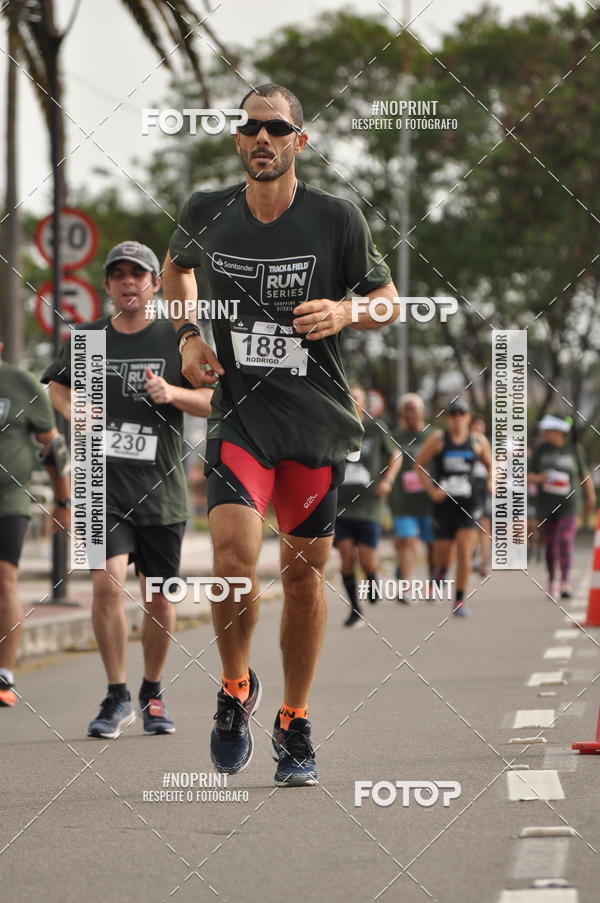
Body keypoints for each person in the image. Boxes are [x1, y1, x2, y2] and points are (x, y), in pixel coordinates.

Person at [164, 83, 398, 785]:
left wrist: (345, 314)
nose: (262, 138)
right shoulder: (209, 211)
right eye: (250, 127)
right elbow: (177, 269)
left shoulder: (336, 217)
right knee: (233, 557)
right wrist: (186, 336)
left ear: (300, 140)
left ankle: (294, 718)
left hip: (315, 421)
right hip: (241, 416)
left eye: (276, 127)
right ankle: (235, 689)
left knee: (302, 578)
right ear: (238, 140)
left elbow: (387, 301)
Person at [42, 241, 212, 738]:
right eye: (118, 275)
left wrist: (172, 392)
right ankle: (116, 695)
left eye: (138, 275)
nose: (128, 283)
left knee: (159, 599)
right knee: (104, 584)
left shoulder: (174, 339)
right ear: (108, 285)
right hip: (102, 488)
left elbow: (213, 400)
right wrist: (74, 408)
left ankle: (152, 691)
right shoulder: (88, 338)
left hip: (161, 491)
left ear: (155, 284)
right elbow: (55, 383)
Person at [0, 337, 71, 707]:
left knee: (4, 579)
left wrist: (63, 500)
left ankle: (4, 675)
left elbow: (52, 447)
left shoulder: (20, 383)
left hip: (7, 501)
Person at [415, 398, 492, 617]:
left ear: (468, 417)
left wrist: (491, 481)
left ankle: (459, 600)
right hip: (444, 503)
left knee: (464, 550)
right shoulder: (439, 440)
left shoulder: (478, 441)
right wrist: (431, 490)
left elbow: (491, 464)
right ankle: (441, 572)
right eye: (453, 414)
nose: (457, 418)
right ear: (447, 418)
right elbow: (418, 465)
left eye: (462, 414)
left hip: (469, 502)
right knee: (444, 554)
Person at [334, 385, 401, 627]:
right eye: (347, 397)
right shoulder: (337, 429)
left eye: (356, 398)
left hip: (369, 505)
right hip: (340, 507)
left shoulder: (375, 428)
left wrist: (388, 481)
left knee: (367, 559)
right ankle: (355, 609)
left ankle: (372, 576)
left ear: (364, 403)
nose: (351, 401)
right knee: (346, 557)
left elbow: (396, 455)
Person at [529, 415, 596, 598]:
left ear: (560, 432)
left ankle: (565, 582)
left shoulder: (574, 449)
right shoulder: (540, 450)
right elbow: (526, 475)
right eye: (544, 431)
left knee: (565, 540)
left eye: (549, 430)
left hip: (570, 504)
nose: (545, 434)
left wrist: (590, 497)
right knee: (550, 546)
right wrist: (540, 478)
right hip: (546, 506)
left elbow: (583, 474)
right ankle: (553, 581)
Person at [389, 393, 434, 603]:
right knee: (407, 541)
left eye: (414, 409)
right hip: (403, 501)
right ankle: (405, 587)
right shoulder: (394, 437)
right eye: (406, 410)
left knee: (432, 543)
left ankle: (434, 583)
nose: (411, 414)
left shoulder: (433, 437)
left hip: (430, 501)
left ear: (422, 411)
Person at [470, 414, 492, 577]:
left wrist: (492, 481)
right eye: (476, 425)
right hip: (468, 488)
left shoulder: (485, 443)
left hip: (482, 488)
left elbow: (492, 466)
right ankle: (473, 557)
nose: (479, 429)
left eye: (481, 426)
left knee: (484, 524)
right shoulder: (465, 442)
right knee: (470, 525)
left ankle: (484, 561)